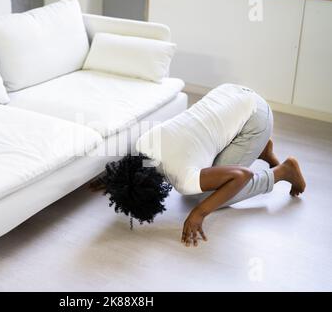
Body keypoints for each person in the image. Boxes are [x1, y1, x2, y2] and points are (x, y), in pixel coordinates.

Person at [95, 84, 306, 247]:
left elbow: (242, 176)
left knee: (208, 196)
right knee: (208, 171)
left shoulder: (185, 180)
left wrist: (200, 212)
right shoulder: (144, 145)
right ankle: (260, 149)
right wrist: (111, 182)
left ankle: (283, 171)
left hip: (256, 117)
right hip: (229, 93)